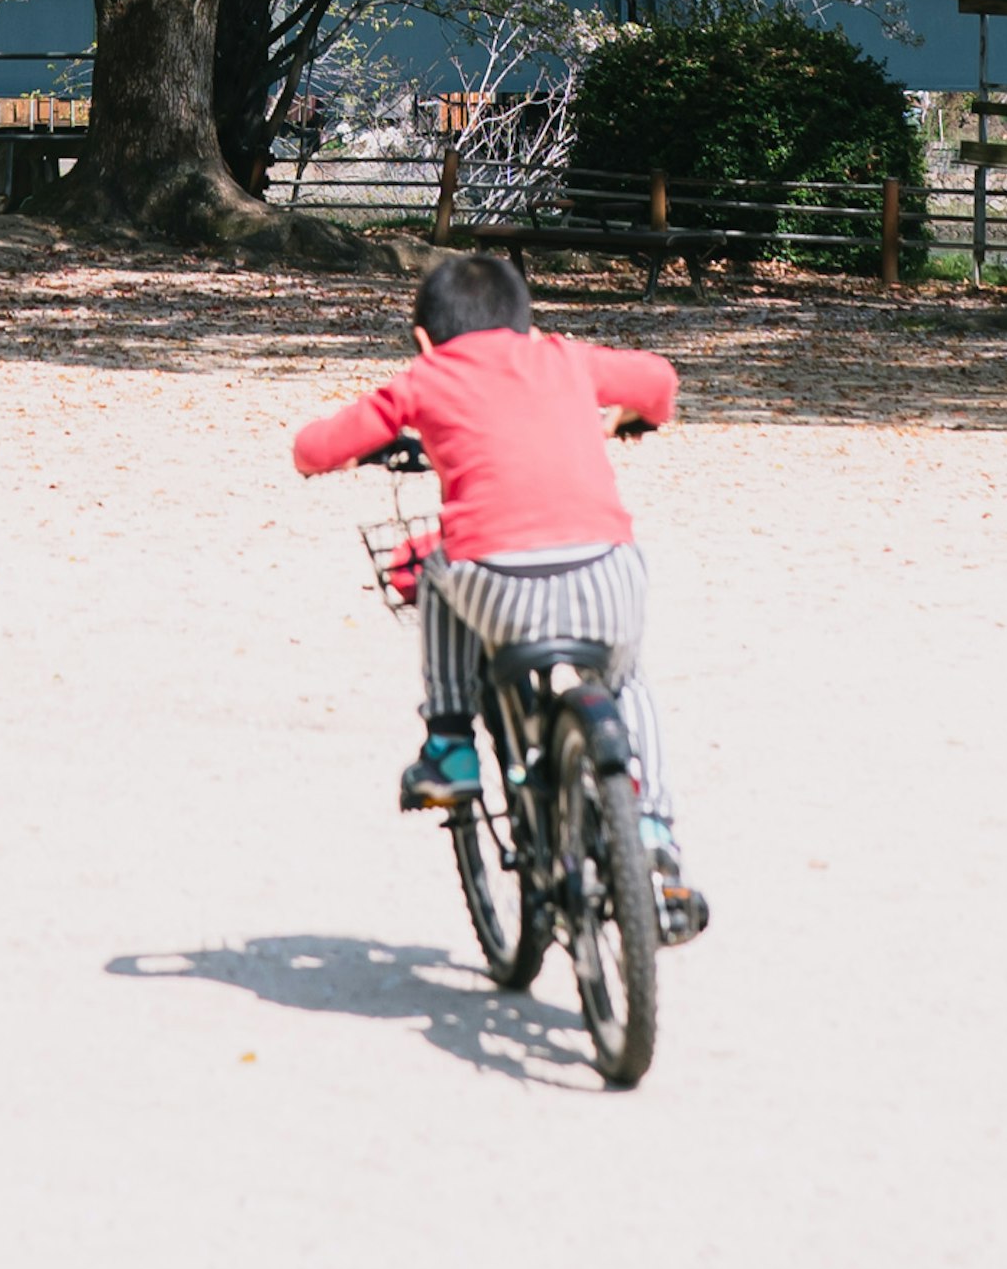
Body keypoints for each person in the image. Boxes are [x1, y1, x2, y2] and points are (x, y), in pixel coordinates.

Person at [293, 243, 705, 933]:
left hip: (497, 584)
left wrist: (341, 450)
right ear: (526, 321)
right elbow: (659, 381)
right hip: (609, 573)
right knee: (629, 680)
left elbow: (315, 447)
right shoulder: (564, 358)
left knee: (433, 569)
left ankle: (450, 741)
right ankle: (655, 829)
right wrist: (630, 415)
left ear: (425, 334)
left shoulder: (427, 374)